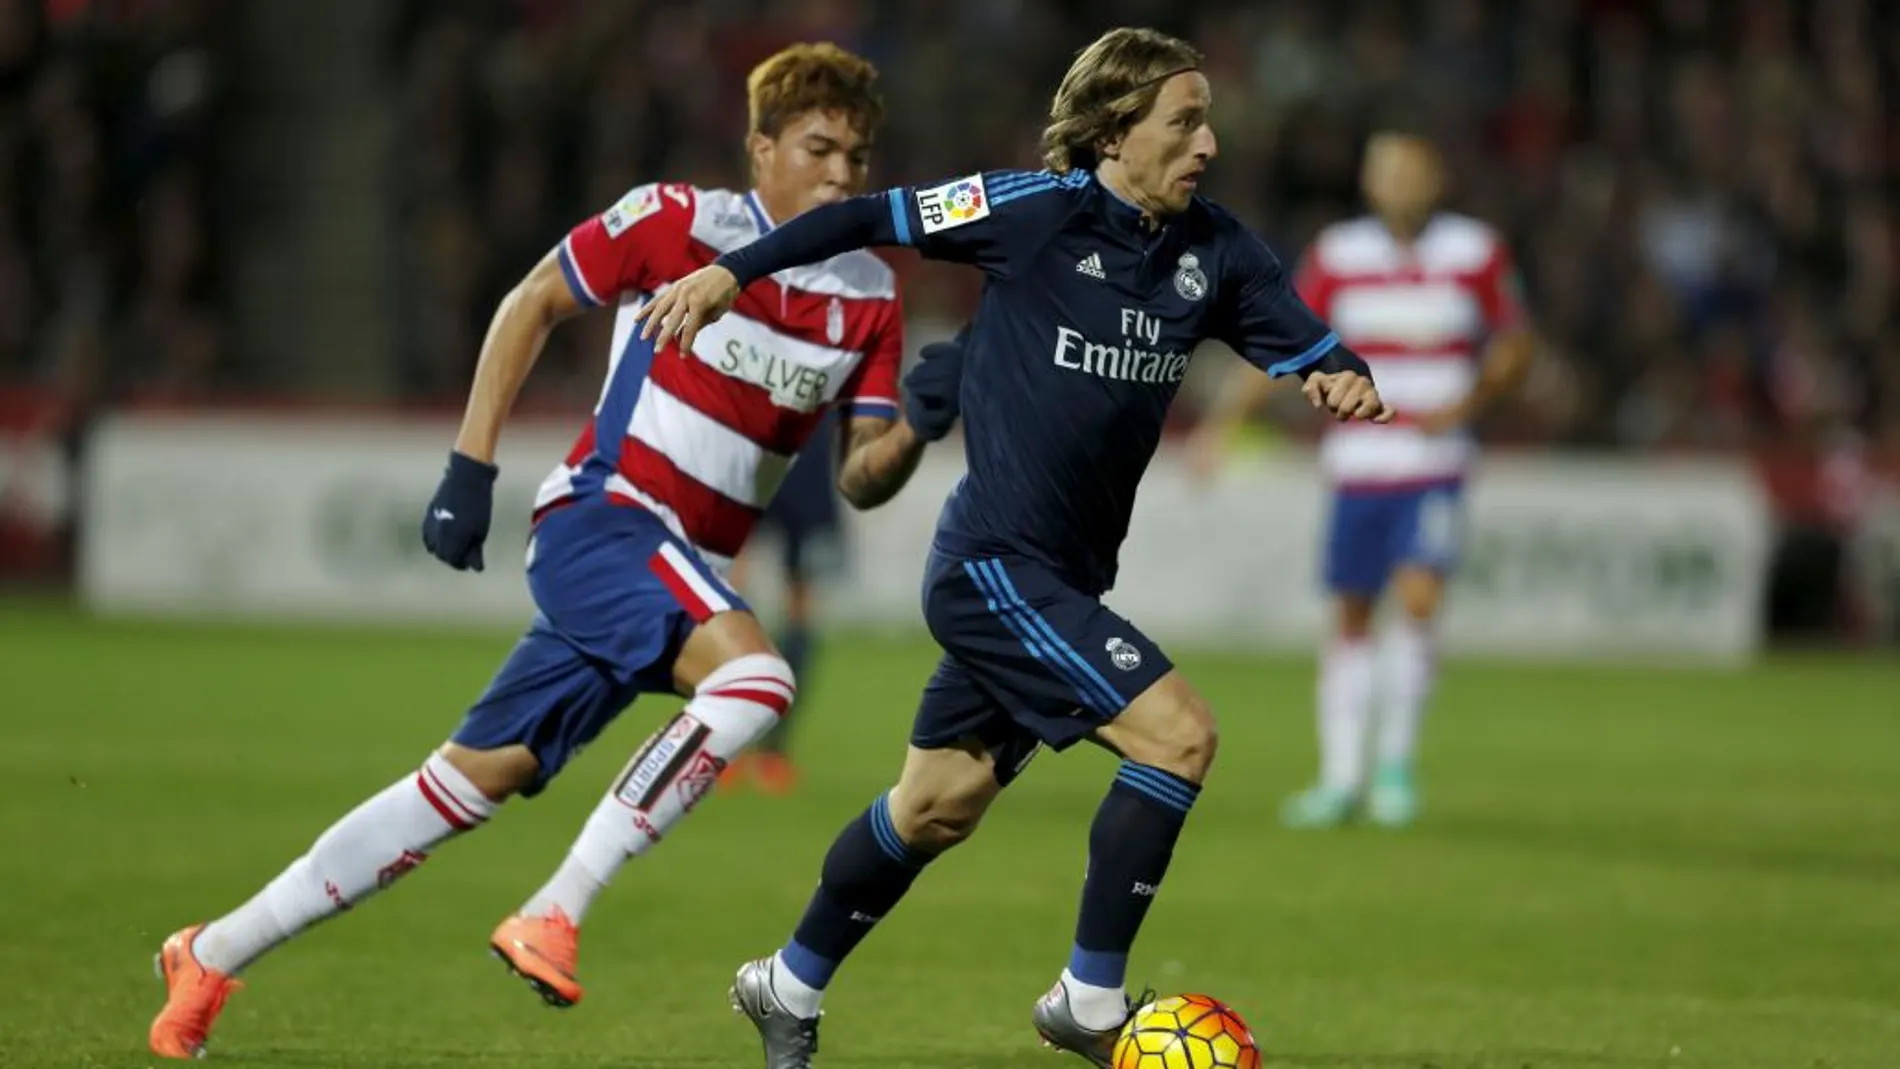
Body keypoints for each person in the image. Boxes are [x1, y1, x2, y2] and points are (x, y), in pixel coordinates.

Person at [146, 42, 958, 1059]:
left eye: (859, 158)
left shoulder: (868, 296)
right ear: (760, 148)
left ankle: (211, 951)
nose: (843, 175)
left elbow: (860, 478)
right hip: (607, 520)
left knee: (461, 785)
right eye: (820, 148)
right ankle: (557, 908)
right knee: (757, 682)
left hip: (680, 573)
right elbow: (532, 299)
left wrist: (920, 426)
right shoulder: (679, 222)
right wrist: (469, 465)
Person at [636, 27, 1395, 1068]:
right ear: (1115, 130)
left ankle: (786, 982)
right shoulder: (1032, 211)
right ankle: (1088, 1000)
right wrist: (732, 274)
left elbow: (1306, 337)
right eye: (1184, 121)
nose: (1208, 142)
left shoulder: (1215, 250)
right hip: (994, 564)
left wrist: (1340, 371)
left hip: (1065, 575)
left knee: (934, 806)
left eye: (1206, 120)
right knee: (1177, 736)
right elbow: (868, 213)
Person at [1190, 130, 1535, 829]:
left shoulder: (1475, 250)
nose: (1396, 182)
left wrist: (1466, 405)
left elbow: (1517, 343)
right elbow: (1282, 338)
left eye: (1409, 169)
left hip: (1434, 465)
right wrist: (1223, 423)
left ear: (1435, 176)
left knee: (1417, 597)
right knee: (1350, 612)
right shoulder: (1340, 253)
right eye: (1384, 171)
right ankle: (1341, 776)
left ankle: (1395, 766)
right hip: (1358, 464)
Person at [720, 408, 846, 795]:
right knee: (735, 600)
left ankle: (767, 749)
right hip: (758, 449)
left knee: (792, 611)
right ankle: (736, 745)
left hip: (796, 454)